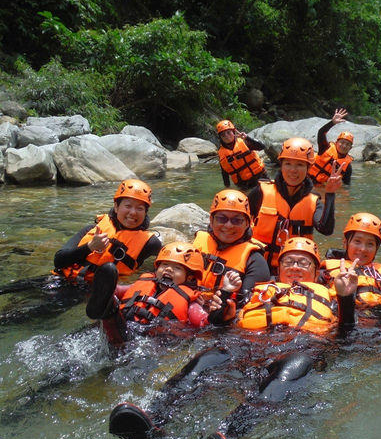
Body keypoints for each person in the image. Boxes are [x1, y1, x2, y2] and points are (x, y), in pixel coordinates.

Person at [107, 236, 359, 439]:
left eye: (303, 262)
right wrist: (225, 298)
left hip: (299, 345)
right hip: (249, 343)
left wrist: (346, 297)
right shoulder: (256, 291)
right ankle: (154, 415)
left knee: (299, 364)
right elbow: (219, 323)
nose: (295, 266)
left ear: (316, 271)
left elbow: (346, 336)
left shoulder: (333, 295)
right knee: (210, 355)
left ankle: (231, 433)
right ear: (279, 267)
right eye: (288, 261)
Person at [85, 241, 239, 345]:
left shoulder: (190, 301)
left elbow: (204, 323)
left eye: (177, 268)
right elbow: (118, 290)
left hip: (150, 341)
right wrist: (105, 286)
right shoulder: (146, 281)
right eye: (164, 265)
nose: (168, 269)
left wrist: (222, 305)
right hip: (125, 324)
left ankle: (107, 313)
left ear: (190, 277)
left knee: (114, 322)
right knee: (110, 300)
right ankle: (105, 308)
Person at [248, 137, 339, 273]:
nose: (293, 170)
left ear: (308, 168)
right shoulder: (260, 191)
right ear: (281, 165)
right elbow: (236, 223)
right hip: (258, 266)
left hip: (294, 270)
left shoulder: (313, 201)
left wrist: (330, 194)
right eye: (288, 164)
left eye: (300, 165)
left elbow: (326, 229)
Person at [53, 179, 162, 282]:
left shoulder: (150, 243)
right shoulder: (92, 230)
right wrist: (90, 247)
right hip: (60, 278)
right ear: (116, 207)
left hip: (95, 291)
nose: (133, 212)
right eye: (128, 206)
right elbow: (58, 261)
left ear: (145, 212)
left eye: (140, 208)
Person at [192, 189, 271, 321]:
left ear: (247, 223)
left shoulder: (255, 261)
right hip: (189, 307)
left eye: (237, 220)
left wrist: (226, 309)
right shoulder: (196, 244)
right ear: (211, 220)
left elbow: (252, 309)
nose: (228, 225)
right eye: (222, 218)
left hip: (221, 321)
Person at [321, 212, 381, 309]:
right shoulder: (324, 274)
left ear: (376, 248)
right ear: (345, 243)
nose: (363, 249)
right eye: (357, 241)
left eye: (370, 244)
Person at [215, 119, 268, 190]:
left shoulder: (245, 142)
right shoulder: (221, 153)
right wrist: (227, 188)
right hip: (244, 185)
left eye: (228, 132)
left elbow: (261, 146)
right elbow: (224, 174)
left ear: (234, 132)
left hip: (260, 177)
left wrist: (247, 138)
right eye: (223, 135)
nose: (226, 136)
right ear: (220, 138)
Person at [308, 107, 353, 186]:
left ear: (350, 148)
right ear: (336, 143)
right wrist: (332, 122)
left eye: (347, 144)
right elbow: (321, 133)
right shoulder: (325, 148)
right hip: (306, 180)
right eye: (342, 142)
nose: (344, 146)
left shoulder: (347, 166)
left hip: (320, 187)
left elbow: (346, 185)